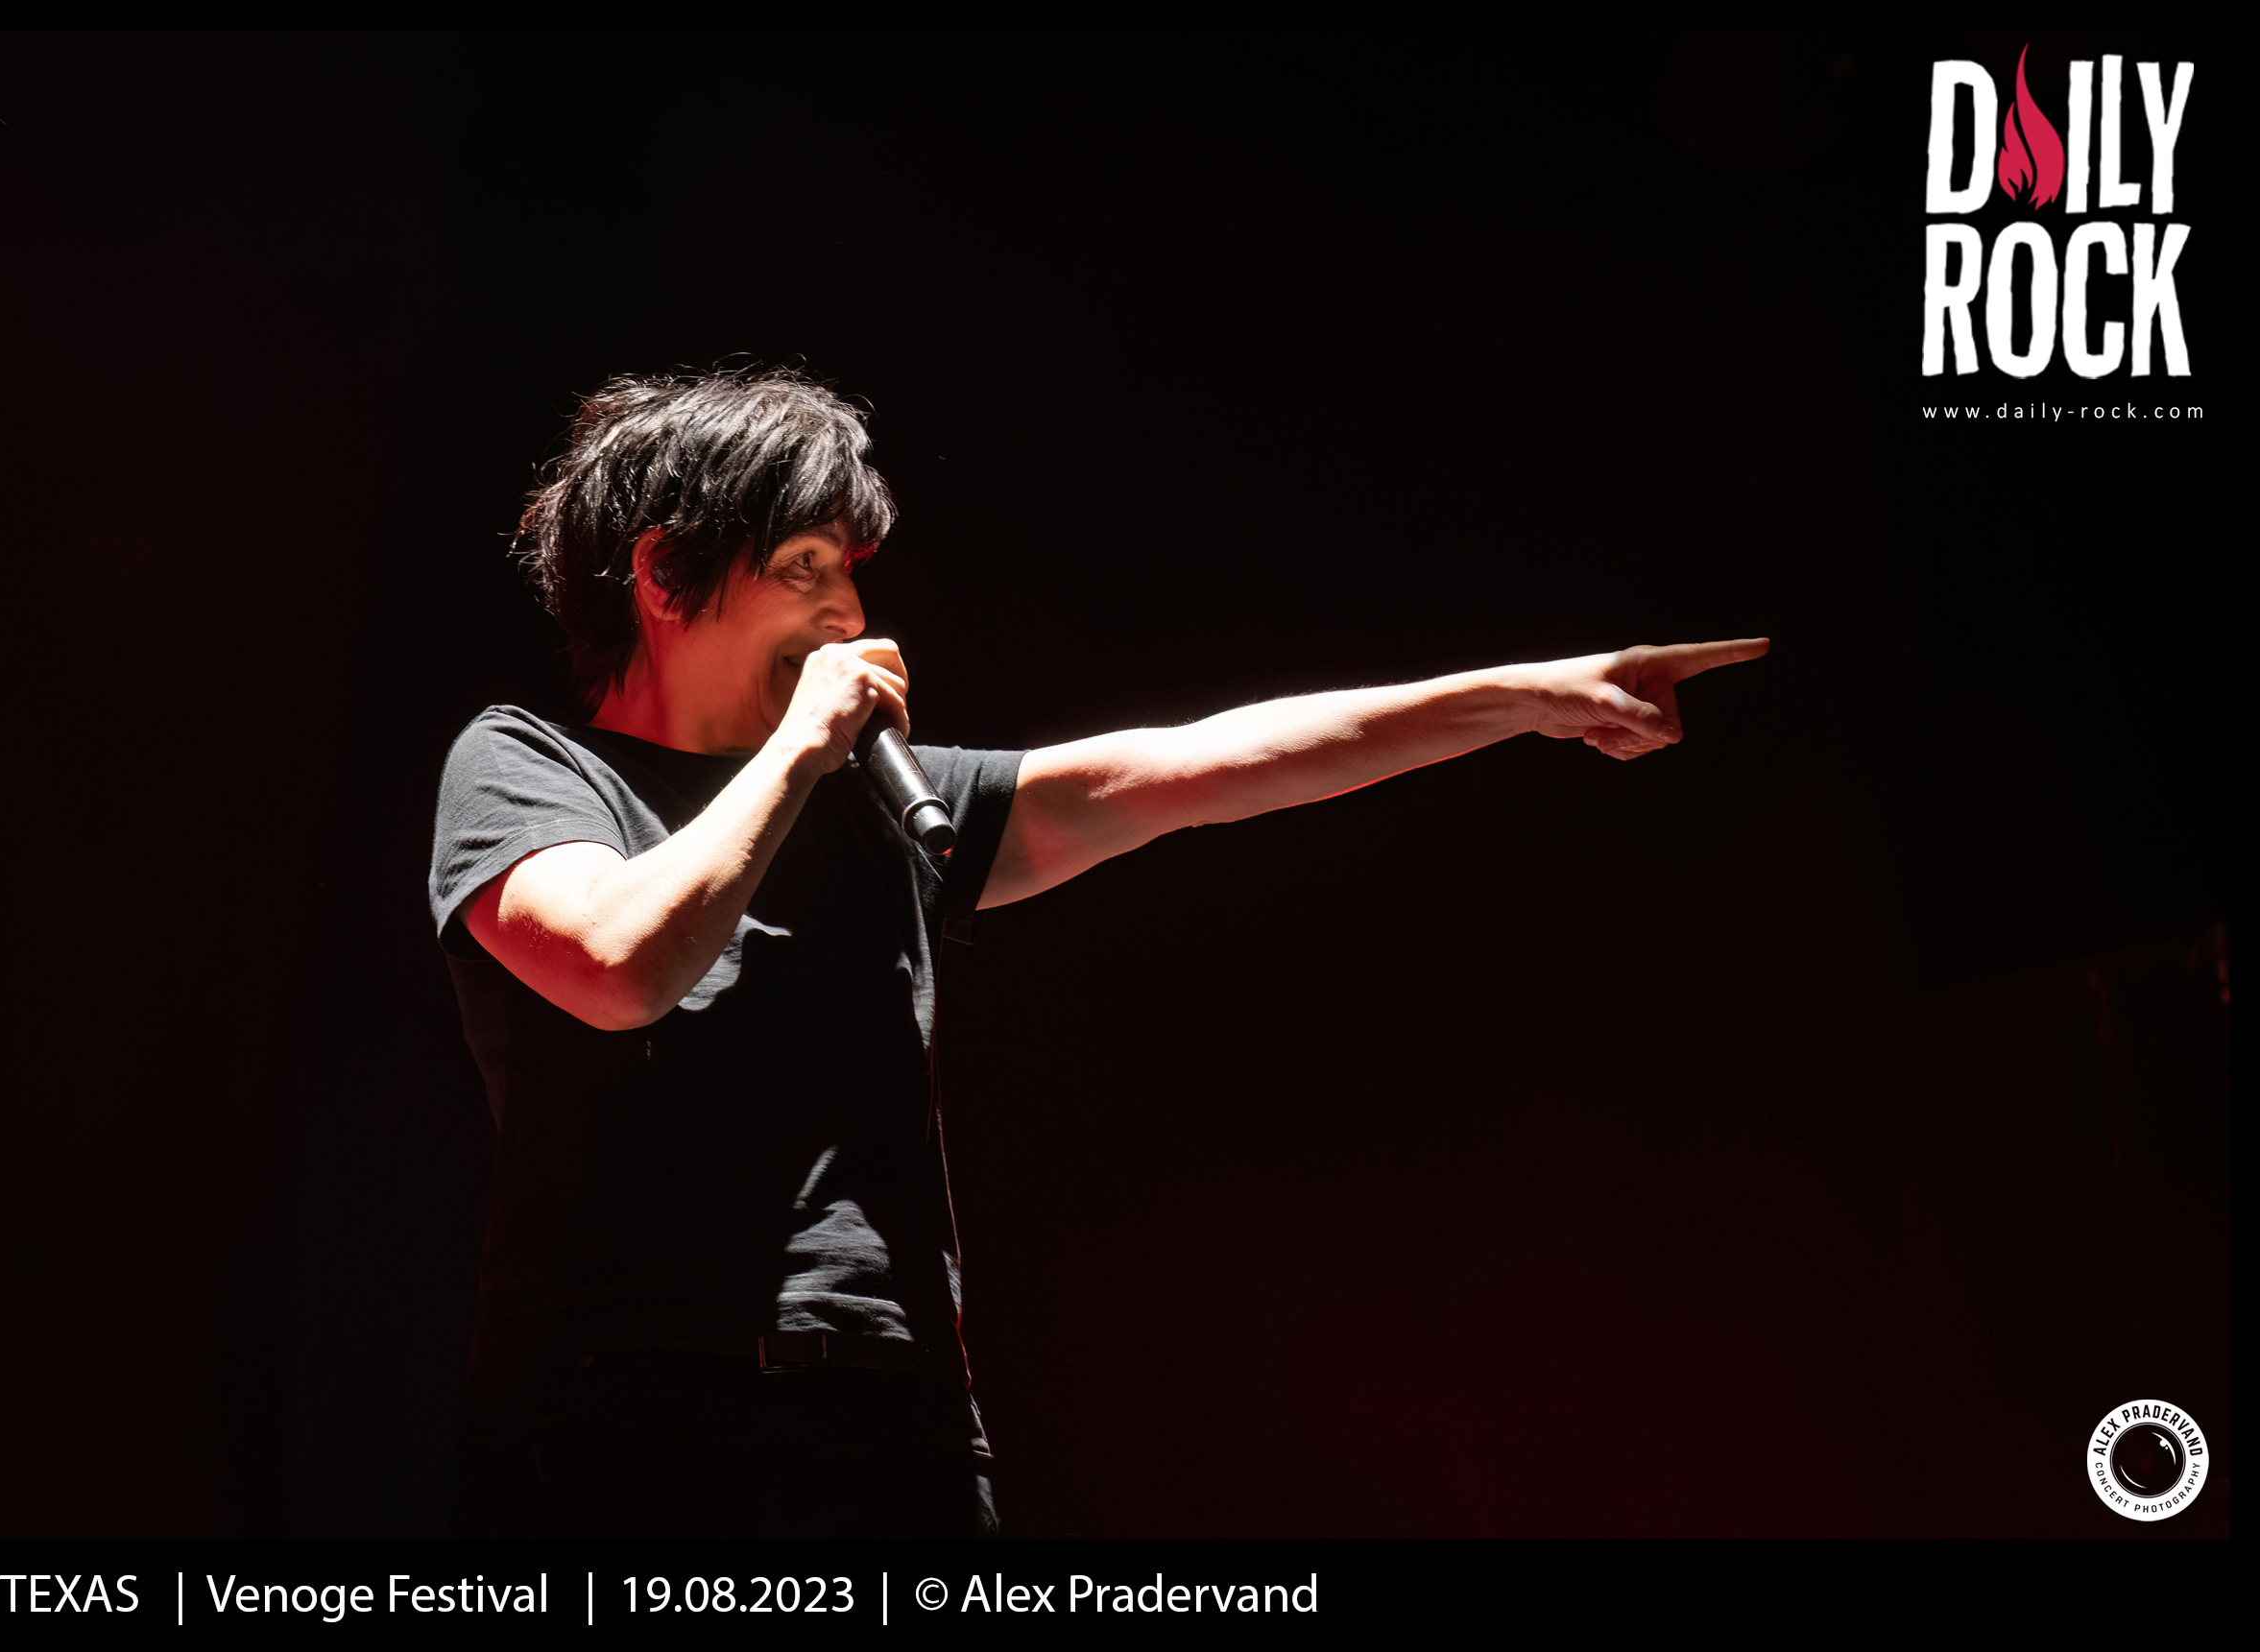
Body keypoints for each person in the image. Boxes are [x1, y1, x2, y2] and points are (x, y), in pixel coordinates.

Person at [429, 368, 1767, 1537]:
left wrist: (1526, 697)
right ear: (665, 571)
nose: (848, 615)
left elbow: (1195, 767)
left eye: (850, 571)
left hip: (890, 1423)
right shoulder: (527, 767)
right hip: (621, 1426)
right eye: (804, 568)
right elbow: (619, 966)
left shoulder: (874, 813)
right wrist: (799, 749)